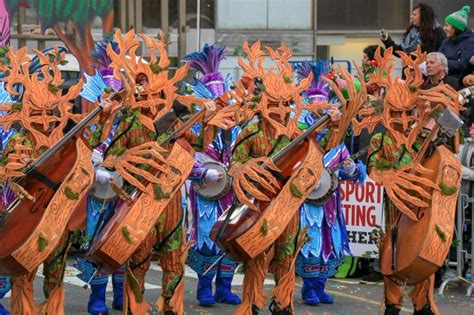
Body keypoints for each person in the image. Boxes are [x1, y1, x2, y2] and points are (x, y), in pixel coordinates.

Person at [294, 61, 365, 306]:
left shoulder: (336, 139)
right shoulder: (301, 139)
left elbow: (352, 173)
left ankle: (321, 286)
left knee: (330, 241)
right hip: (308, 202)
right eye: (314, 108)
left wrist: (352, 169)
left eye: (323, 107)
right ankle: (309, 289)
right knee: (311, 241)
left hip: (331, 203)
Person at [183, 44, 241, 307]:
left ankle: (224, 288)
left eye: (224, 105)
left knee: (229, 239)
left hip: (234, 196)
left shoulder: (237, 132)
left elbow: (248, 159)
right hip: (206, 197)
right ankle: (205, 288)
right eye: (217, 105)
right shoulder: (195, 131)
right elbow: (185, 161)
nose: (222, 109)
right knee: (207, 241)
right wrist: (203, 172)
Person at [380, 3, 445, 55]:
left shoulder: (437, 32)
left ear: (423, 16)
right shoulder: (411, 31)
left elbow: (442, 55)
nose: (411, 17)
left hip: (427, 70)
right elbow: (401, 52)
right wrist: (387, 40)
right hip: (408, 70)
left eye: (414, 15)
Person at [439, 6, 474, 80]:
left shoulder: (470, 42)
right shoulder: (445, 41)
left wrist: (443, 62)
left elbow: (463, 65)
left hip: (460, 80)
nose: (444, 28)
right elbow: (437, 59)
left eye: (447, 25)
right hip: (442, 77)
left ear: (455, 28)